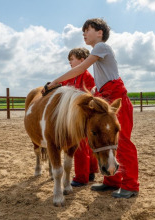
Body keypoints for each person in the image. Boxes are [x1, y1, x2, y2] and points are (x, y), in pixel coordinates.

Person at [43, 18, 139, 199]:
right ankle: (112, 181)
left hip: (116, 99)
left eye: (87, 30)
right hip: (107, 97)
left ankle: (131, 185)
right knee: (104, 139)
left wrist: (55, 82)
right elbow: (101, 79)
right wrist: (96, 92)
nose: (84, 34)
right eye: (83, 31)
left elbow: (80, 69)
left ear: (100, 33)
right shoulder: (99, 51)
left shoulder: (101, 47)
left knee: (123, 142)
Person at [60, 47, 99, 187]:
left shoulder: (87, 77)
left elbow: (89, 95)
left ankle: (81, 177)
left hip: (82, 116)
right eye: (69, 60)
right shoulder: (72, 76)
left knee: (80, 147)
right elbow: (61, 85)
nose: (70, 62)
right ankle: (91, 172)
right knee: (86, 145)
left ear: (82, 60)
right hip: (76, 114)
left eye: (72, 59)